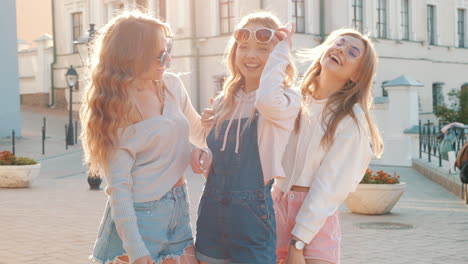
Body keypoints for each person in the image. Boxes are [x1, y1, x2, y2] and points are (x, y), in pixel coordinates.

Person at [81, 11, 206, 264]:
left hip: (178, 210)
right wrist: (137, 252)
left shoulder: (172, 86)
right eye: (160, 54)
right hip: (138, 219)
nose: (168, 58)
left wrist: (225, 117)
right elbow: (119, 189)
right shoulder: (116, 107)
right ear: (132, 56)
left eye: (168, 49)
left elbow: (202, 135)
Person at [190, 12, 300, 264]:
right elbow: (212, 151)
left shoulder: (286, 99)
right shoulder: (223, 100)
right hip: (211, 210)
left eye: (263, 49)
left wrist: (282, 50)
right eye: (243, 47)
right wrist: (201, 150)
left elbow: (266, 100)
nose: (250, 55)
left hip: (252, 214)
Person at [273, 28, 384, 264]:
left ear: (357, 75)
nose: (341, 49)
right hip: (275, 209)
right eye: (339, 43)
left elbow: (329, 187)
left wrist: (298, 241)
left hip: (315, 222)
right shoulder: (294, 99)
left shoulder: (350, 119)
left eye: (352, 52)